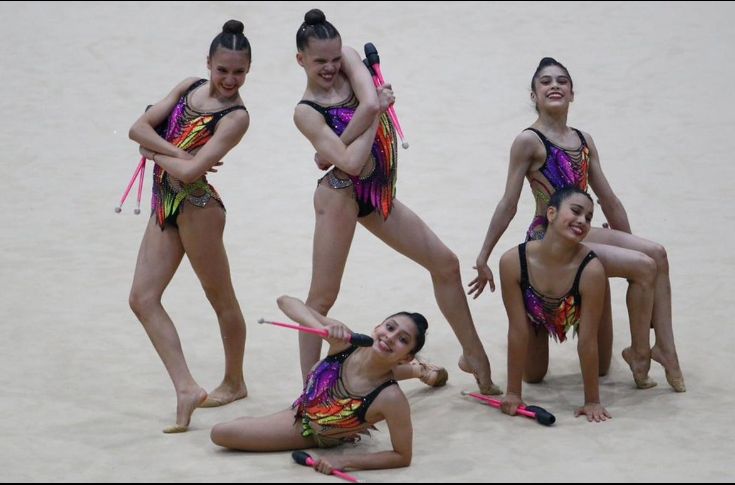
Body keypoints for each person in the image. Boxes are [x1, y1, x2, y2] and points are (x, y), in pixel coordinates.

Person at [291, 9, 500, 394]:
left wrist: (340, 140)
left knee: (446, 264)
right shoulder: (305, 112)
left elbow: (369, 102)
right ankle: (309, 388)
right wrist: (369, 114)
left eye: (335, 59)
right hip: (340, 195)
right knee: (322, 296)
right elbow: (352, 161)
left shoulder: (350, 56)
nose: (331, 67)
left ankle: (475, 356)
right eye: (320, 61)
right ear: (301, 59)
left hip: (377, 194)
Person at [470, 57, 684, 392]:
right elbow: (507, 203)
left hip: (579, 233)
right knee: (535, 375)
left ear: (572, 93)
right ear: (533, 95)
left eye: (562, 81)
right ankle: (635, 349)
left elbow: (609, 200)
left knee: (655, 255)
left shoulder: (584, 140)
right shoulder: (529, 141)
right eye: (545, 81)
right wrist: (484, 255)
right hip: (548, 237)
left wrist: (621, 244)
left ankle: (656, 349)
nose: (554, 85)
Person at [127, 20, 252, 433]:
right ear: (209, 63)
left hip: (199, 208)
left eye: (239, 72)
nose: (230, 79)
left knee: (221, 300)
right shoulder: (187, 87)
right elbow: (136, 128)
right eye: (223, 70)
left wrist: (152, 149)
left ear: (248, 70)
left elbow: (193, 170)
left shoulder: (236, 117)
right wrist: (170, 150)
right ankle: (186, 387)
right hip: (164, 202)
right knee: (142, 299)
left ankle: (235, 381)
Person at [211, 295, 428, 473]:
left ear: (407, 357)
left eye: (403, 340)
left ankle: (424, 370)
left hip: (310, 429)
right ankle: (422, 370)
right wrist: (321, 327)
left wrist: (346, 462)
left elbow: (402, 456)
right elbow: (285, 301)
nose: (390, 337)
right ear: (377, 326)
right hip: (303, 406)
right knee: (375, 367)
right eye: (390, 328)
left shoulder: (391, 398)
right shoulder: (345, 341)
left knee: (221, 433)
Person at [500, 187, 620, 422]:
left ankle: (601, 303)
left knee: (602, 370)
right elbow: (517, 330)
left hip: (579, 308)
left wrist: (592, 400)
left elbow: (587, 341)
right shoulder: (512, 261)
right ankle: (544, 329)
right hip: (537, 316)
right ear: (551, 213)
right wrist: (513, 393)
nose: (582, 221)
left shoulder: (591, 270)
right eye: (575, 211)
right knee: (533, 376)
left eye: (588, 218)